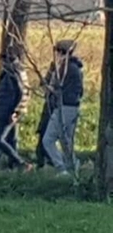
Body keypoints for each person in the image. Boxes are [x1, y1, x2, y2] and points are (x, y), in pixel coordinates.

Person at [0, 50, 33, 171]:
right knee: (12, 139)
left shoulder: (10, 74)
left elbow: (20, 92)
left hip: (7, 112)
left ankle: (21, 163)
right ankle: (13, 166)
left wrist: (13, 111)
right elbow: (27, 92)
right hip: (17, 111)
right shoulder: (21, 72)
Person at [41, 40, 83, 175]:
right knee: (66, 141)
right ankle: (73, 167)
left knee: (48, 140)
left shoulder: (65, 69)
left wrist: (48, 85)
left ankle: (61, 168)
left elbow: (56, 89)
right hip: (73, 107)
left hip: (64, 107)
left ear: (60, 52)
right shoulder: (76, 68)